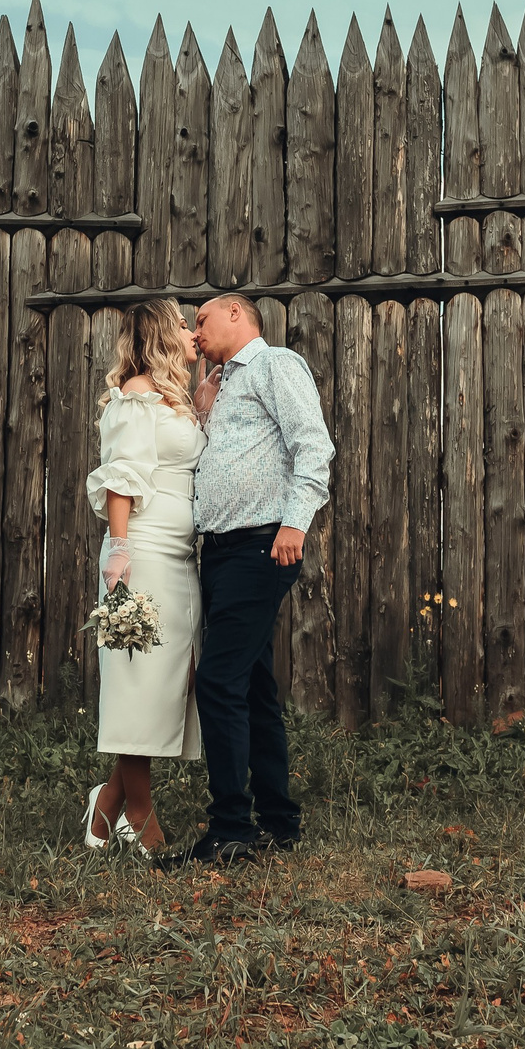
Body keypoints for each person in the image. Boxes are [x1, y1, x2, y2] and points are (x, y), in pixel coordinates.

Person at [172, 292, 333, 867]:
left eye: (203, 319)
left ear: (237, 313)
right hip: (217, 551)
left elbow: (313, 444)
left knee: (217, 681)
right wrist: (201, 396)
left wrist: (294, 523)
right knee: (254, 687)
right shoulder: (217, 386)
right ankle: (279, 822)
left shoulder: (274, 365)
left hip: (260, 542)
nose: (197, 330)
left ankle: (230, 830)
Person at [81, 299, 207, 855]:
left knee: (164, 686)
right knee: (139, 681)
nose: (192, 330)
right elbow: (123, 479)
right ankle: (139, 815)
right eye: (183, 323)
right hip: (145, 552)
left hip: (181, 558)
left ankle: (106, 800)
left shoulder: (173, 398)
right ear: (161, 331)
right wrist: (121, 552)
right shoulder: (134, 395)